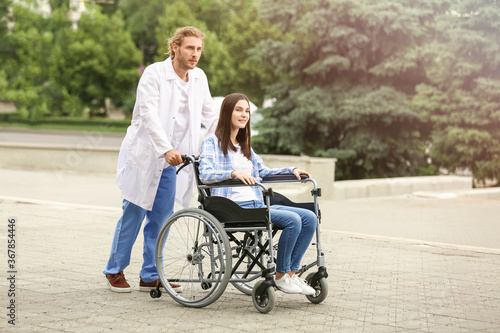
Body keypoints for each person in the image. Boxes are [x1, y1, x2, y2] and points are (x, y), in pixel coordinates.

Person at [103, 26, 218, 293]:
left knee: (161, 219)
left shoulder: (199, 78)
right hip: (148, 156)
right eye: (190, 48)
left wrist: (216, 144)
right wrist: (165, 148)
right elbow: (148, 114)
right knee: (133, 213)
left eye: (199, 49)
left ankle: (150, 275)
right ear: (175, 47)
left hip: (175, 164)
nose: (195, 54)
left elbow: (211, 116)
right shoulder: (154, 74)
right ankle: (114, 270)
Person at [199, 93, 317, 295]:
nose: (244, 115)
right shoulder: (212, 142)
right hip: (233, 207)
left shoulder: (244, 146)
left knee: (309, 217)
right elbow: (205, 173)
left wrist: (292, 170)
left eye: (247, 111)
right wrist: (233, 173)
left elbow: (264, 172)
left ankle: (290, 274)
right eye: (238, 110)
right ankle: (280, 277)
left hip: (255, 203)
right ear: (226, 113)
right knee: (293, 220)